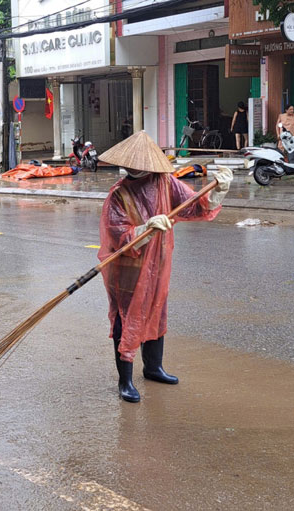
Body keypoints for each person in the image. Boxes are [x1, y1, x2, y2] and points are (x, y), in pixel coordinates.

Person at [96, 132, 232, 403]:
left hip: (157, 262)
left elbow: (193, 206)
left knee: (156, 310)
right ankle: (125, 380)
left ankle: (153, 367)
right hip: (126, 268)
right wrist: (144, 228)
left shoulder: (163, 181)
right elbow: (117, 235)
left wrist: (218, 190)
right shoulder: (118, 194)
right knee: (126, 317)